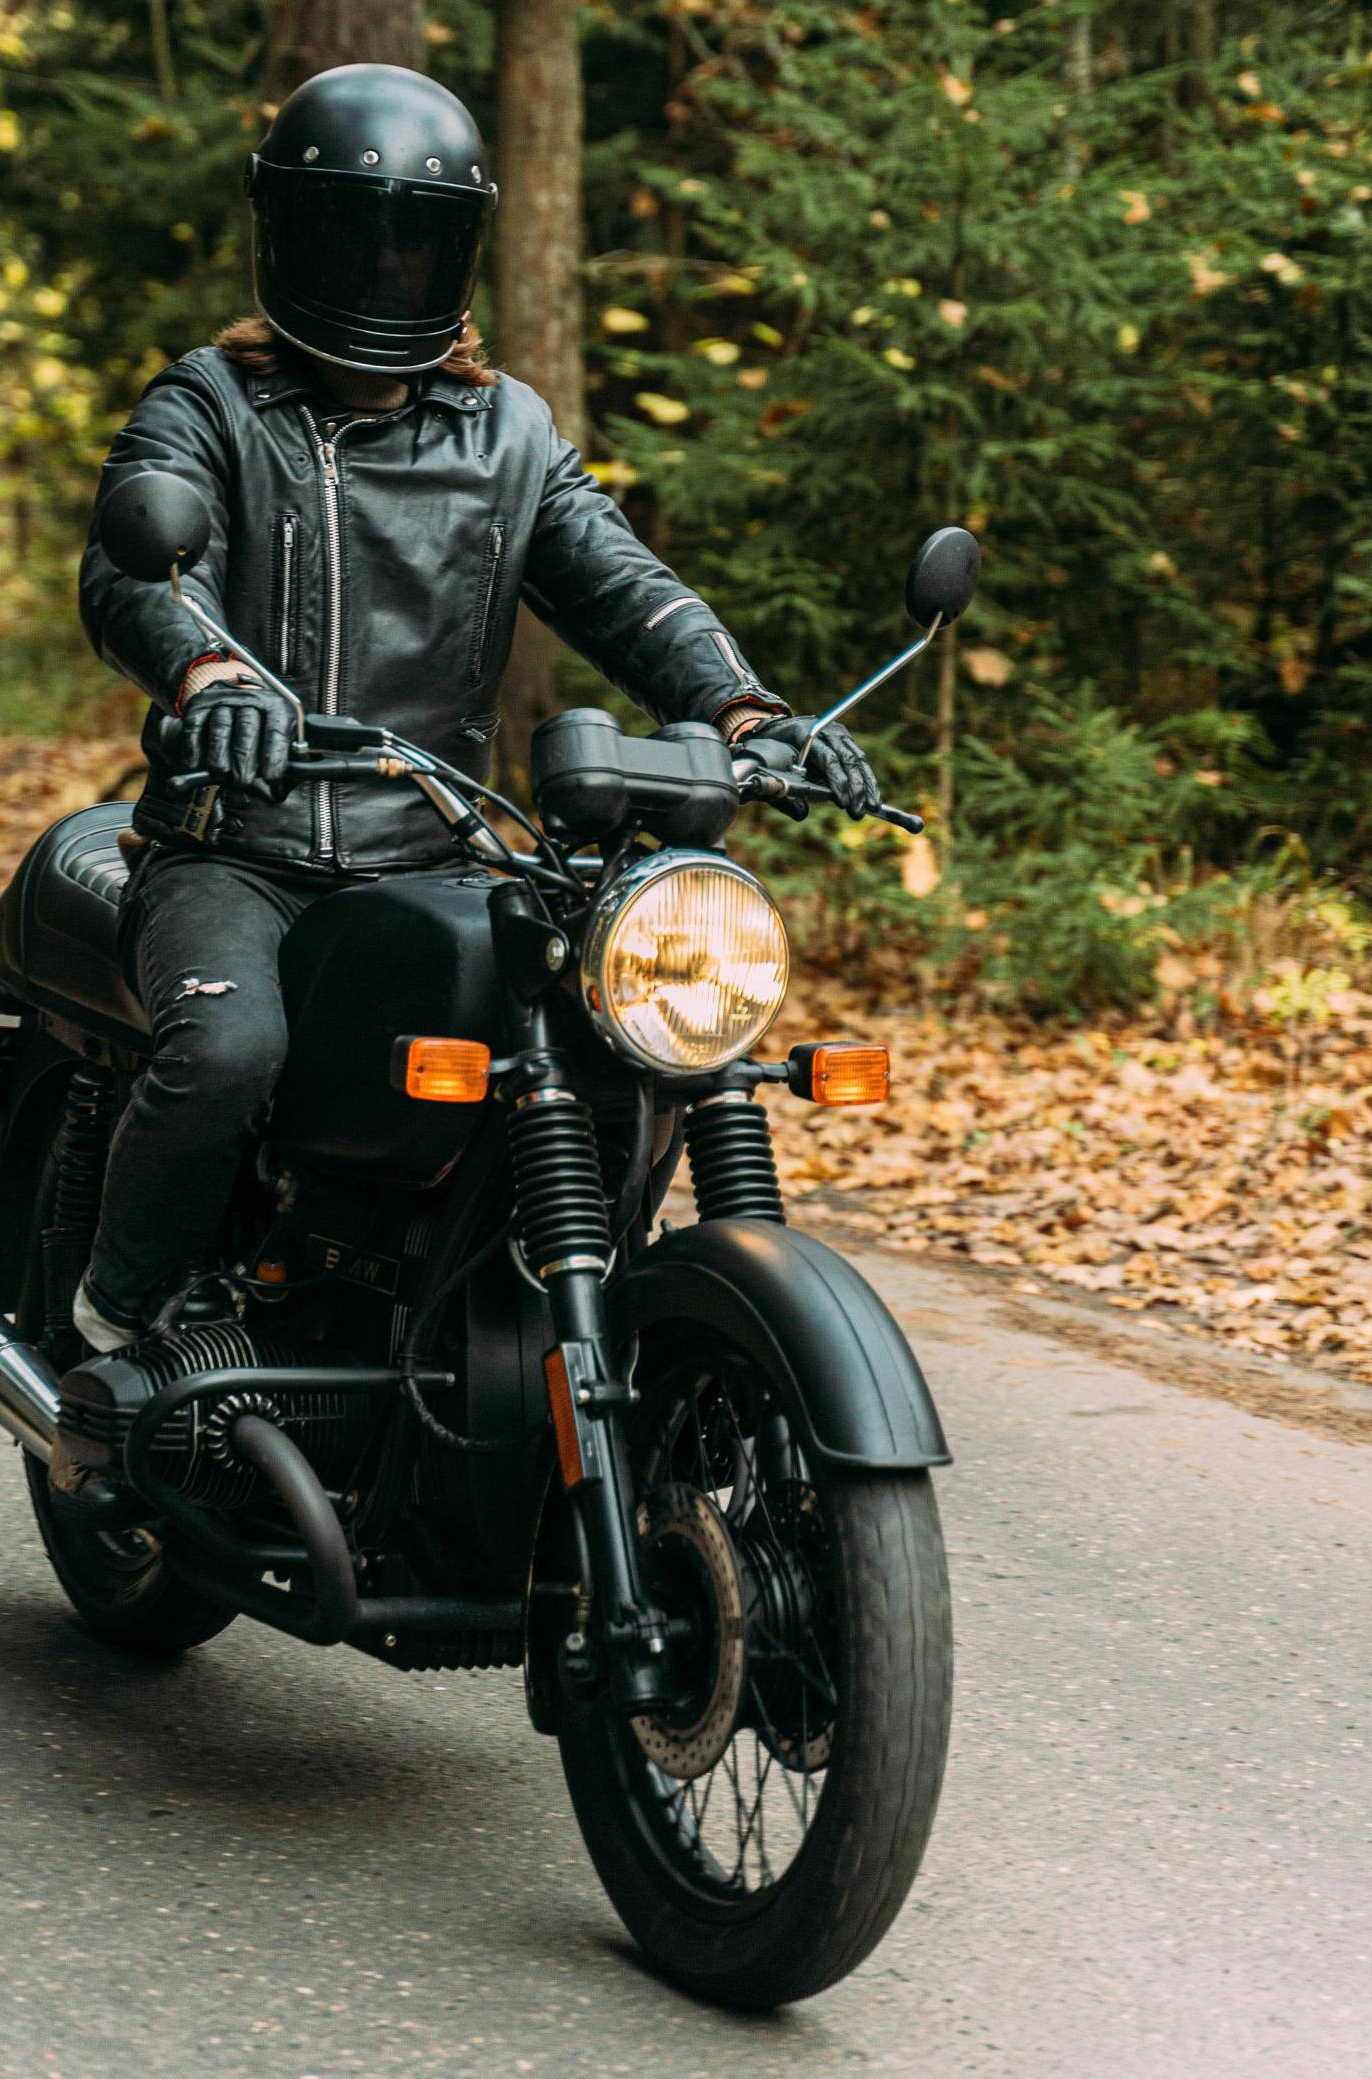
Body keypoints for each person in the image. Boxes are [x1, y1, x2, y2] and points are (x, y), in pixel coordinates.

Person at [70, 61, 877, 1355]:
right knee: (229, 1052)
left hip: (436, 853)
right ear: (287, 228)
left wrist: (739, 709)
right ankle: (119, 1319)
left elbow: (623, 583)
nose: (384, 271)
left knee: (613, 1039)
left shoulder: (509, 431)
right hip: (236, 850)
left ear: (464, 248)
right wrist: (206, 674)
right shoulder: (212, 402)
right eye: (352, 234)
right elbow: (131, 569)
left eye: (418, 240)